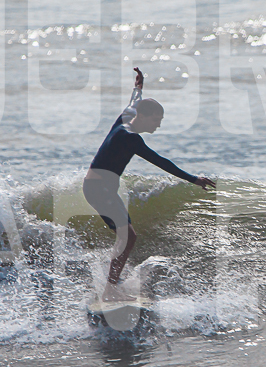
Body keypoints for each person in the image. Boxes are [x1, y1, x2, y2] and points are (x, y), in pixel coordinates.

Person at [84, 67, 215, 303]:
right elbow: (160, 161)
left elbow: (134, 102)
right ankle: (110, 289)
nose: (158, 125)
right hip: (99, 190)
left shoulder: (126, 118)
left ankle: (111, 284)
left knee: (125, 237)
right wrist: (194, 179)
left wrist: (138, 86)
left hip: (98, 188)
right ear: (143, 117)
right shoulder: (130, 137)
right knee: (128, 237)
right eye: (156, 120)